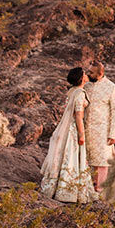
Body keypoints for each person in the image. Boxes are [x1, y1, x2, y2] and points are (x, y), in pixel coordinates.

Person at [39, 67, 99, 203]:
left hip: (66, 128)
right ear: (81, 78)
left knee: (65, 155)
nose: (86, 75)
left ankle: (57, 187)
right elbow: (78, 115)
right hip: (73, 128)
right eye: (84, 74)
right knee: (71, 156)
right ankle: (69, 191)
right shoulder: (79, 93)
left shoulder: (71, 91)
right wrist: (81, 134)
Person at [82, 61, 115, 192]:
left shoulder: (112, 88)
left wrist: (113, 134)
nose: (88, 74)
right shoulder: (85, 86)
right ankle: (87, 186)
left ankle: (100, 189)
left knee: (102, 160)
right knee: (86, 158)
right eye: (88, 71)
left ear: (101, 73)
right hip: (86, 128)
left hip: (103, 130)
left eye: (91, 72)